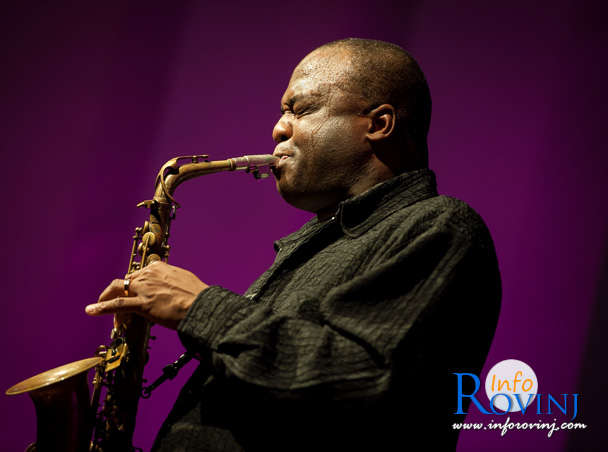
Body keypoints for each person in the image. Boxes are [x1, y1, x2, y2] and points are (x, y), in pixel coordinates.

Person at [85, 38, 501, 451]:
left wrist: (198, 308)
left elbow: (364, 378)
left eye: (300, 110)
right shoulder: (321, 244)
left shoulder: (440, 225)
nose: (278, 128)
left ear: (378, 124)